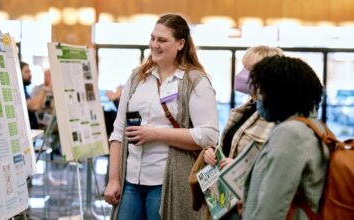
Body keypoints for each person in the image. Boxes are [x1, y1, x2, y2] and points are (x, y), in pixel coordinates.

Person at [104, 13, 219, 220]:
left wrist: (156, 134)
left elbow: (209, 135)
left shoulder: (195, 81)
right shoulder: (138, 77)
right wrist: (114, 179)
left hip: (168, 182)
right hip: (129, 182)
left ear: (180, 43)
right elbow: (118, 131)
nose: (154, 45)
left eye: (162, 40)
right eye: (153, 38)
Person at [242, 55, 329, 219]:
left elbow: (271, 209)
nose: (257, 98)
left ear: (279, 94)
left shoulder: (291, 134)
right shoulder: (314, 127)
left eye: (261, 91)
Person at [203, 46, 283, 219]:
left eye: (250, 69)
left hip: (249, 205)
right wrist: (211, 152)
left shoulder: (277, 117)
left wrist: (241, 167)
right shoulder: (245, 109)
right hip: (225, 200)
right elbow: (227, 146)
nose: (242, 74)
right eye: (243, 67)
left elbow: (275, 165)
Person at [20, 61, 51, 129]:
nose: (30, 74)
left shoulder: (23, 89)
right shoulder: (19, 90)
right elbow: (35, 106)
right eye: (26, 72)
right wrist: (44, 89)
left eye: (30, 71)